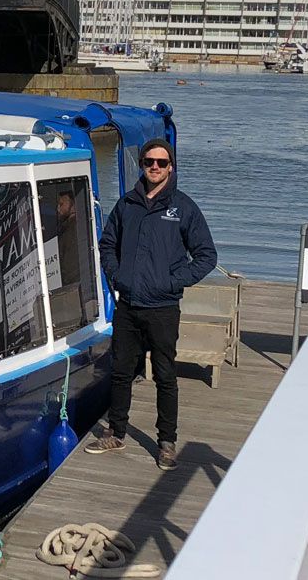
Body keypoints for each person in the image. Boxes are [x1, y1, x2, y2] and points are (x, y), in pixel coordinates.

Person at [86, 138, 218, 470]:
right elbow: (107, 245)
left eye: (161, 162)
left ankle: (166, 442)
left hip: (162, 307)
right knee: (120, 372)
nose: (154, 167)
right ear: (142, 165)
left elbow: (206, 256)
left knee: (164, 375)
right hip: (128, 304)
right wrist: (117, 277)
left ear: (170, 167)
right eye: (149, 162)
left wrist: (173, 281)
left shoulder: (183, 207)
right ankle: (116, 433)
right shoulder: (127, 204)